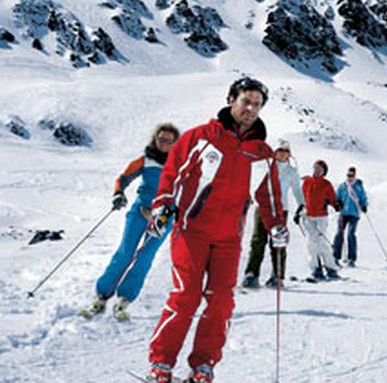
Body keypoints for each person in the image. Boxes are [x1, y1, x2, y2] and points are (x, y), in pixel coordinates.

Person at [145, 77, 286, 383]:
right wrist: (163, 204)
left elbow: (269, 194)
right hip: (192, 230)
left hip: (228, 239)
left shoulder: (261, 153)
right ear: (231, 100)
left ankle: (204, 365)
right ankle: (161, 363)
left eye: (257, 105)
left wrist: (276, 225)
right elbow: (172, 174)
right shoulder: (201, 137)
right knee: (186, 295)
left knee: (222, 300)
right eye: (245, 101)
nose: (251, 109)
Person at [80, 123, 181, 321]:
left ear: (175, 143)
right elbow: (123, 178)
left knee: (145, 257)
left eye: (169, 141)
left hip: (163, 217)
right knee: (126, 252)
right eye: (161, 139)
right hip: (140, 212)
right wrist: (118, 194)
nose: (164, 144)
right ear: (155, 139)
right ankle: (102, 295)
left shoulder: (180, 164)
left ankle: (125, 299)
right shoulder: (145, 161)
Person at [242, 138, 303, 289]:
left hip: (281, 210)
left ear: (289, 154)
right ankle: (251, 274)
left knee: (278, 241)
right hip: (263, 208)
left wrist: (302, 204)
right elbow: (254, 183)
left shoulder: (291, 172)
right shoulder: (265, 167)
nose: (282, 155)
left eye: (285, 152)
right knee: (258, 240)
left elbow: (296, 189)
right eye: (279, 151)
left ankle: (277, 275)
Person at [302, 160, 341, 281]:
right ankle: (315, 268)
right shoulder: (307, 182)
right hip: (308, 216)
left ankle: (331, 268)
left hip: (321, 216)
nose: (318, 170)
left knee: (321, 242)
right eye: (316, 168)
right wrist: (300, 210)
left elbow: (332, 198)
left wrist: (335, 205)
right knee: (311, 243)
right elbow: (302, 198)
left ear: (324, 172)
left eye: (320, 169)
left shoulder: (326, 184)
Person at [333, 166, 368, 267]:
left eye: (352, 175)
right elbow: (337, 196)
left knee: (351, 234)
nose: (350, 177)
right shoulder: (343, 186)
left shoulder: (358, 186)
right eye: (348, 175)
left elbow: (363, 197)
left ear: (355, 176)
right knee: (339, 233)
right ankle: (335, 256)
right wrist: (338, 202)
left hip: (354, 213)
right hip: (343, 213)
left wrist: (364, 205)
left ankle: (351, 258)